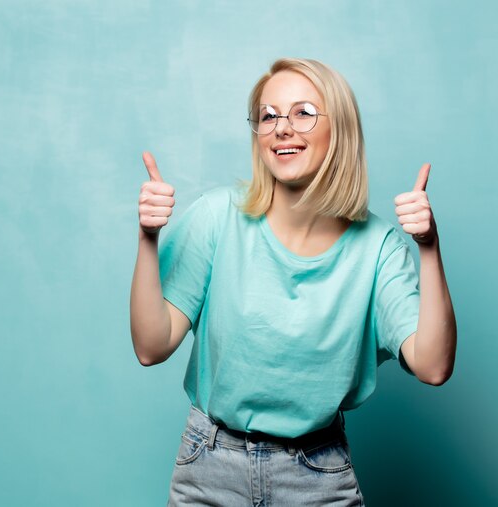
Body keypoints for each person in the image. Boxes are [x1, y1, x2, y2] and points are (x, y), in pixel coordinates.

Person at [130, 57, 456, 506]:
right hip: (209, 466)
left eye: (303, 112)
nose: (282, 127)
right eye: (268, 116)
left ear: (338, 129)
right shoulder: (216, 218)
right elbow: (151, 347)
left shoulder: (378, 248)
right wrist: (149, 238)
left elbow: (433, 366)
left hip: (317, 476)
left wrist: (429, 247)